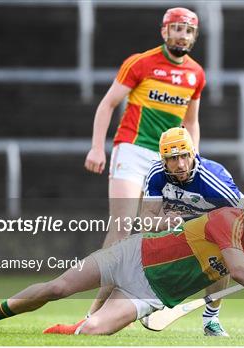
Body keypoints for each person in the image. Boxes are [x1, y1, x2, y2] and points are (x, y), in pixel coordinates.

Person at [0, 181, 244, 339]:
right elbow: (238, 272)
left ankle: (69, 331)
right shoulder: (227, 219)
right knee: (57, 287)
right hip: (132, 254)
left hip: (149, 292)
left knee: (92, 332)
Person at [83, 7, 205, 316]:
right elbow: (107, 104)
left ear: (194, 36)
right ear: (165, 31)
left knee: (156, 233)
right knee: (121, 229)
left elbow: (191, 123)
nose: (182, 34)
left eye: (188, 30)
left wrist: (194, 160)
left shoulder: (196, 74)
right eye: (176, 28)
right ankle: (92, 313)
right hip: (132, 150)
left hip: (168, 160)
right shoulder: (140, 63)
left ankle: (124, 305)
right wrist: (97, 148)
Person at [141, 127, 243, 336]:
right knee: (135, 248)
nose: (180, 164)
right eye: (173, 158)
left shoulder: (215, 182)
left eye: (185, 156)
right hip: (177, 230)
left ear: (193, 153)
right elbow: (146, 221)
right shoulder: (156, 175)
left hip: (212, 231)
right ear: (163, 160)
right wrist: (164, 223)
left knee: (224, 253)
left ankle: (211, 319)